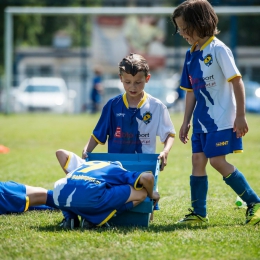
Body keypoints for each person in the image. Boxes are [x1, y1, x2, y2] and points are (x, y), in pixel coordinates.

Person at [171, 0, 260, 226]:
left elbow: (237, 81)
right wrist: (185, 121)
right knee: (197, 160)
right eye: (178, 28)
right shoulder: (190, 55)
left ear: (199, 23)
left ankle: (255, 203)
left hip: (221, 119)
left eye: (183, 27)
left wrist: (240, 116)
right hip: (201, 122)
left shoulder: (218, 49)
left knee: (217, 162)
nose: (180, 32)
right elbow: (190, 91)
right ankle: (199, 213)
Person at [82, 53, 176, 220]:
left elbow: (169, 133)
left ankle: (148, 212)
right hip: (118, 166)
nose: (133, 87)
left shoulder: (157, 106)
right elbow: (98, 135)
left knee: (145, 199)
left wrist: (166, 151)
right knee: (121, 197)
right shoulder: (112, 105)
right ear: (120, 79)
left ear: (147, 78)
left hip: (145, 164)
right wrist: (86, 150)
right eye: (128, 82)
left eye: (138, 82)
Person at [0, 149, 159, 230]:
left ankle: (70, 216)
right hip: (90, 197)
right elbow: (148, 178)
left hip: (61, 193)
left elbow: (60, 152)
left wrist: (74, 176)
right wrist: (152, 195)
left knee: (59, 195)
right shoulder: (116, 170)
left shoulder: (86, 165)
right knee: (141, 193)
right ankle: (93, 220)